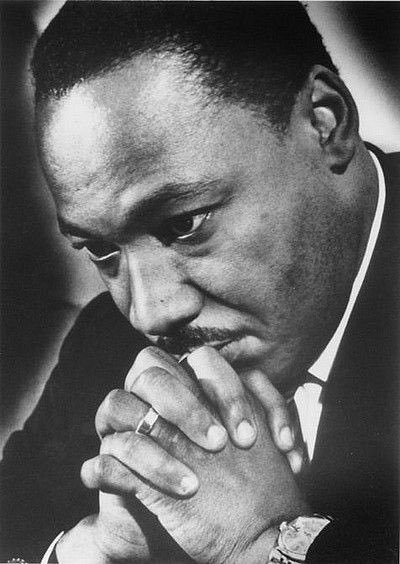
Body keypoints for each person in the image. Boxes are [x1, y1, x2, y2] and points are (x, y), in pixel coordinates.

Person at [1, 2, 398, 562]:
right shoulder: (104, 343)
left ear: (325, 122)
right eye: (102, 250)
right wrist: (92, 549)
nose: (150, 312)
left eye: (185, 224)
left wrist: (260, 544)